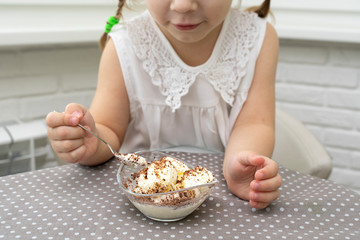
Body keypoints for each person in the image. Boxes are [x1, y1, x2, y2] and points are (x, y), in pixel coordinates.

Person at [46, 0, 281, 209]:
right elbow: (108, 129)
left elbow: (253, 123)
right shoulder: (123, 45)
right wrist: (91, 141)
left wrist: (239, 166)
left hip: (217, 199)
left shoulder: (258, 37)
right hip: (138, 201)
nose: (183, 5)